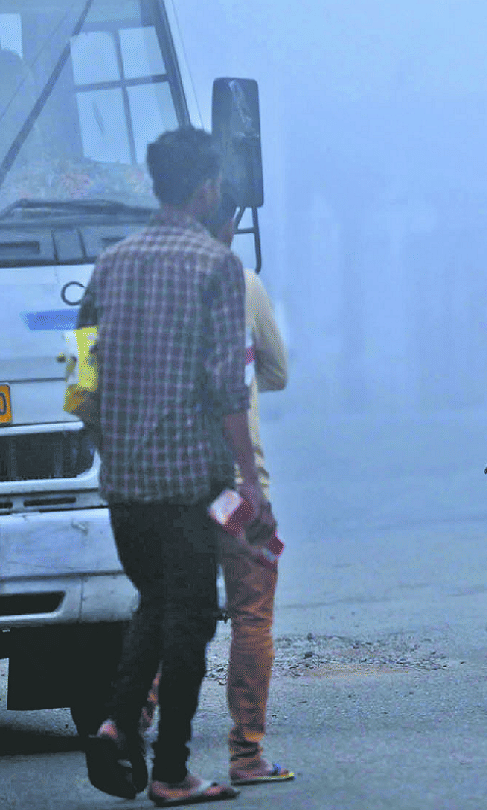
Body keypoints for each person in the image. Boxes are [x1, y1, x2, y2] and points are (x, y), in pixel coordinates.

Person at [78, 125, 272, 805]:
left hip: (123, 485)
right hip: (189, 484)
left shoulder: (111, 263)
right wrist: (249, 484)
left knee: (156, 605)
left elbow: (83, 376)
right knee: (190, 623)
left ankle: (115, 725)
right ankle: (170, 772)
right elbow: (227, 390)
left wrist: (106, 442)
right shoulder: (215, 268)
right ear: (207, 187)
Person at [205, 184, 295, 786]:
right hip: (235, 489)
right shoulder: (240, 282)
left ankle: (128, 724)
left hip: (169, 479)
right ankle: (246, 751)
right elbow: (277, 373)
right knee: (252, 610)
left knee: (174, 609)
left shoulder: (143, 276)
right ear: (232, 220)